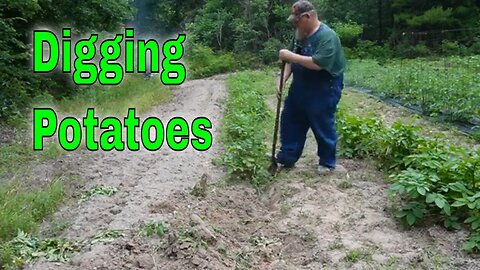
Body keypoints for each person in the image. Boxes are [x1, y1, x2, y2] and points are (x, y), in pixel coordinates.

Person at [276, 0, 346, 175]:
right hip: (300, 86)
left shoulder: (327, 37)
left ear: (307, 17)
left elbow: (318, 64)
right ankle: (287, 157)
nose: (294, 24)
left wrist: (290, 55)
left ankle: (327, 163)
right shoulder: (300, 34)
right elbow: (290, 61)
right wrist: (282, 81)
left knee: (322, 123)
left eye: (296, 20)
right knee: (290, 119)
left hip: (323, 87)